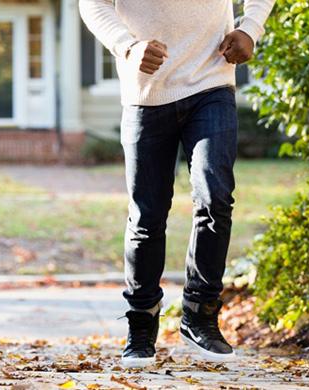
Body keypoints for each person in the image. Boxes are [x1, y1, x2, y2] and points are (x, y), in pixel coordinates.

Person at [80, 0, 275, 366]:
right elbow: (93, 4)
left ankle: (200, 313)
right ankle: (141, 323)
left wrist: (251, 27)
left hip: (211, 81)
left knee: (215, 196)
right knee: (146, 216)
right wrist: (127, 45)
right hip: (146, 94)